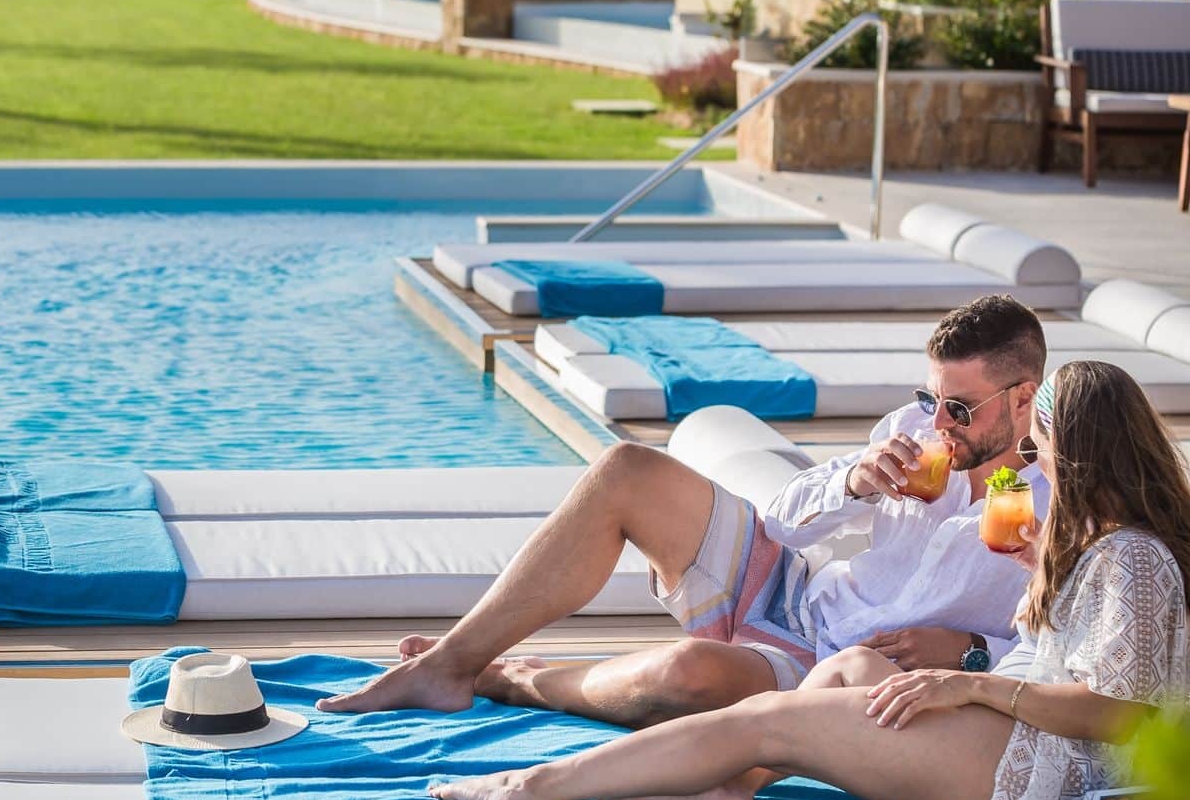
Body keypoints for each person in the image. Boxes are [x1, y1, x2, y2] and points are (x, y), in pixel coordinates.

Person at [427, 361, 1190, 800]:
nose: (1034, 457)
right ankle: (731, 790)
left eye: (1043, 444)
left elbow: (1122, 715)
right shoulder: (1105, 547)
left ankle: (530, 787)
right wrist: (1041, 582)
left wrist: (973, 688)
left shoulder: (1132, 557)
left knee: (764, 715)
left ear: (1082, 450)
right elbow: (1082, 655)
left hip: (1030, 776)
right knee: (848, 672)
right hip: (1016, 744)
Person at [319, 295, 1051, 726]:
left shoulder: (1057, 500)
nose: (939, 422)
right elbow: (785, 522)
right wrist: (854, 481)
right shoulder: (912, 431)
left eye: (958, 407)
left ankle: (506, 679)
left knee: (693, 674)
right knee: (627, 469)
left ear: (1023, 398)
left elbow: (1072, 651)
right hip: (795, 592)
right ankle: (450, 661)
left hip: (828, 668)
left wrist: (971, 654)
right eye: (931, 398)